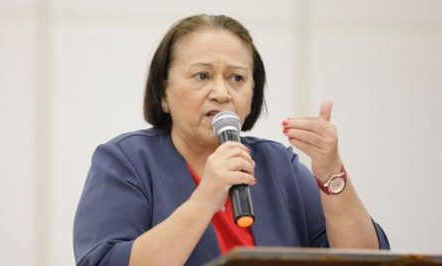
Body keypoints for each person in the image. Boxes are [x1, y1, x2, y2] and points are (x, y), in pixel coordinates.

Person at [73, 14, 390, 266]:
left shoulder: (279, 165)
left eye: (236, 78)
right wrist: (205, 197)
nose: (222, 93)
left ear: (253, 93)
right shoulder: (125, 161)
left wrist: (331, 174)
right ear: (163, 93)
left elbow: (364, 260)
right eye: (202, 76)